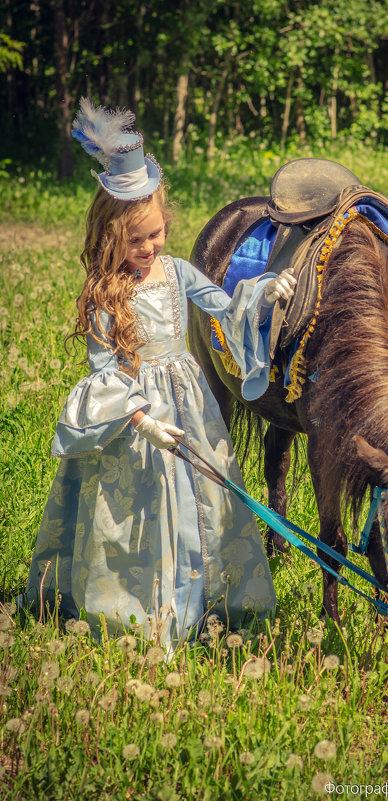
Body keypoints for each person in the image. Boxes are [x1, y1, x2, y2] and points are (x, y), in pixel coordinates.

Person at [24, 98, 296, 650]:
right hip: (137, 421)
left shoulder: (176, 272)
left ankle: (214, 602)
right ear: (109, 236)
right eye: (136, 239)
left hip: (190, 406)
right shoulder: (104, 296)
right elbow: (102, 372)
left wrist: (265, 290)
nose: (150, 247)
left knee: (209, 495)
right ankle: (145, 613)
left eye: (157, 234)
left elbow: (223, 304)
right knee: (143, 511)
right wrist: (143, 422)